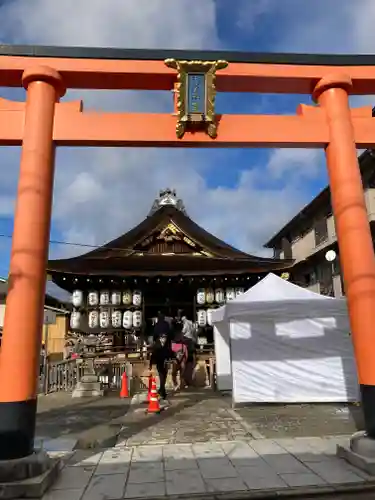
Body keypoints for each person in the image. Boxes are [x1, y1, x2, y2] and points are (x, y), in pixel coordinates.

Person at [149, 332, 173, 401]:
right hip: (159, 363)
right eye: (163, 338)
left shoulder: (167, 344)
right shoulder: (156, 345)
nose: (164, 339)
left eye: (165, 338)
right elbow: (153, 355)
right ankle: (163, 392)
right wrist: (150, 364)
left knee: (164, 377)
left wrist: (173, 358)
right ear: (160, 338)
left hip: (166, 363)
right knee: (162, 376)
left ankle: (161, 390)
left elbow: (170, 352)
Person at [181, 316, 197, 387]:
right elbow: (194, 331)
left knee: (185, 361)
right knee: (191, 363)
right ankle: (190, 381)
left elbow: (183, 331)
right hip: (192, 340)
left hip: (186, 340)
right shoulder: (191, 323)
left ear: (183, 319)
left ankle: (185, 381)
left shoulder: (186, 323)